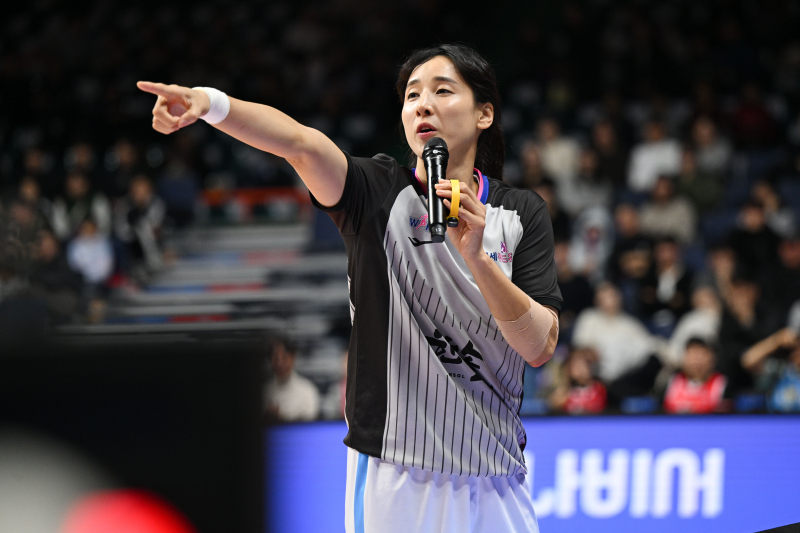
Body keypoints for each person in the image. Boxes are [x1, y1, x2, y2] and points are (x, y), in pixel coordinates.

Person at [139, 43, 561, 533]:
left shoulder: (521, 213)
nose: (422, 105)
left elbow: (538, 347)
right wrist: (210, 103)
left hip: (499, 477)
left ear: (484, 113)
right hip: (400, 472)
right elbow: (300, 143)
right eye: (412, 95)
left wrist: (478, 260)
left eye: (442, 91)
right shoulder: (374, 194)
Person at [663, 337, 728, 414]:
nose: (696, 361)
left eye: (701, 354)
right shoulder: (673, 381)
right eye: (692, 354)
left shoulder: (722, 383)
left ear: (712, 358)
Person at [264, 336, 321, 422]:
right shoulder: (264, 391)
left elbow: (309, 425)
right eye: (275, 358)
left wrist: (281, 418)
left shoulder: (308, 391)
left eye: (284, 357)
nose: (280, 363)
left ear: (293, 357)